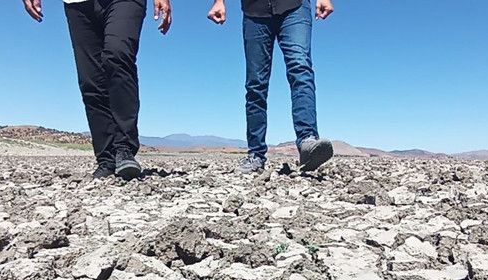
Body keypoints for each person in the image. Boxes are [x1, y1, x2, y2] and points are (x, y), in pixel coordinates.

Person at [22, 0, 173, 180]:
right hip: (77, 4)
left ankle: (124, 148)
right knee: (90, 79)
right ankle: (106, 159)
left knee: (118, 55)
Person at [207, 0, 335, 174]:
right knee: (256, 83)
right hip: (254, 11)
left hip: (294, 7)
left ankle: (308, 141)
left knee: (300, 67)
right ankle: (256, 154)